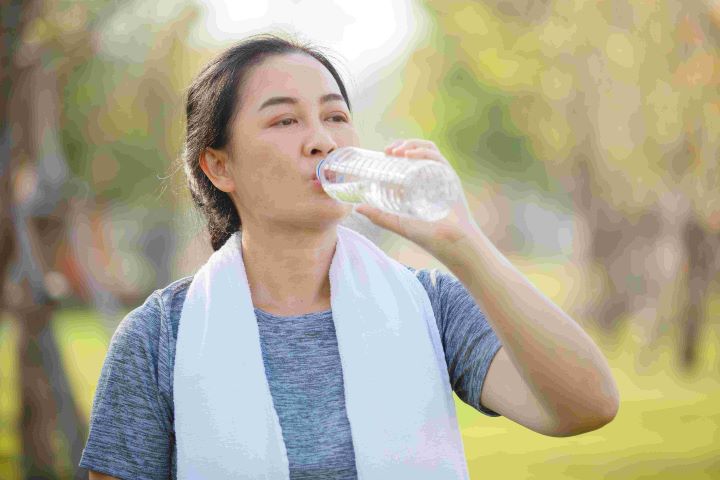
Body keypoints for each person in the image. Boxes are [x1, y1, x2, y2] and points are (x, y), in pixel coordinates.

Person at [80, 33, 619, 480]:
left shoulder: (429, 306)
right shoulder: (159, 337)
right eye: (284, 121)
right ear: (219, 167)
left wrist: (467, 246)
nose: (321, 141)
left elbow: (586, 407)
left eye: (335, 117)